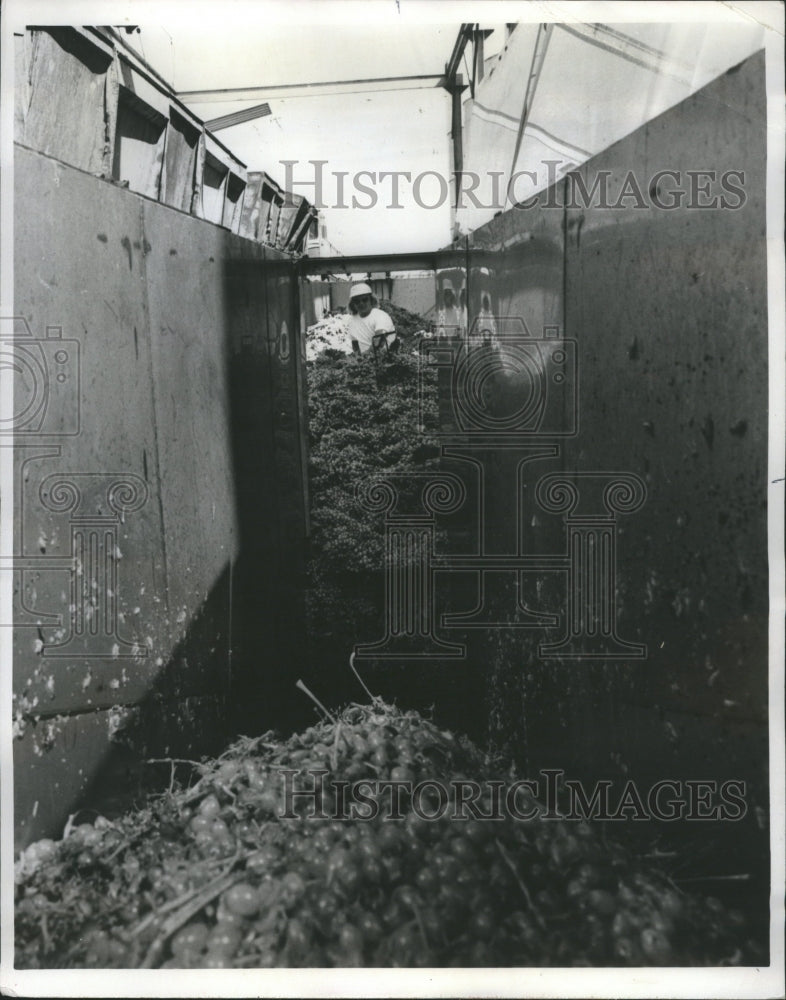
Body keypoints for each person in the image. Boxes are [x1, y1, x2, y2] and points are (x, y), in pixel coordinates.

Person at [346, 283, 397, 355]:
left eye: (364, 300)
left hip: (386, 357)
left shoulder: (380, 315)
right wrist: (358, 358)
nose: (361, 303)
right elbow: (355, 344)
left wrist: (365, 356)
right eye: (357, 301)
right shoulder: (351, 321)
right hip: (366, 360)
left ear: (371, 300)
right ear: (353, 304)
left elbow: (379, 341)